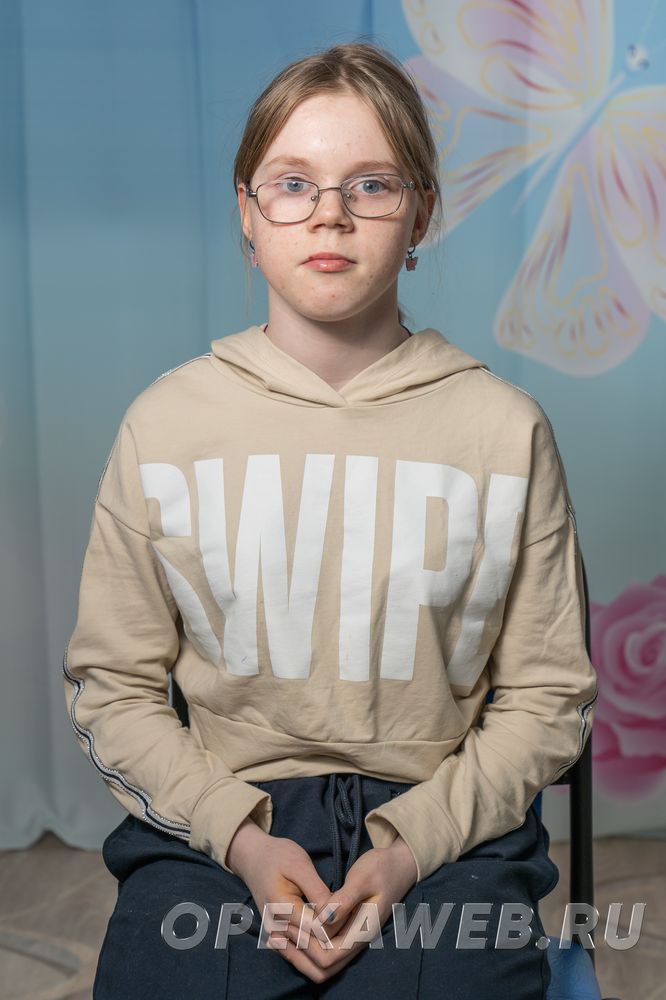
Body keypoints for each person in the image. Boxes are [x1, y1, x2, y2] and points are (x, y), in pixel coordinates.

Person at [63, 41, 598, 999]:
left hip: (444, 825)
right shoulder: (166, 423)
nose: (330, 214)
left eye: (372, 185)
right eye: (292, 183)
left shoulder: (502, 430)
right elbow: (115, 686)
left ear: (421, 213)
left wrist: (408, 849)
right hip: (220, 820)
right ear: (246, 213)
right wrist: (240, 838)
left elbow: (546, 696)